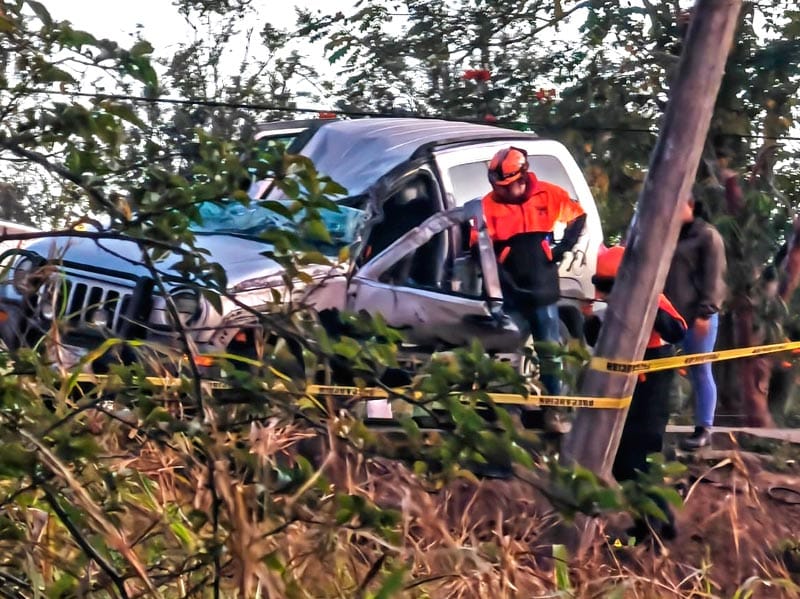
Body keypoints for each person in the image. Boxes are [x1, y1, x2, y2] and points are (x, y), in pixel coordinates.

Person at [479, 146, 586, 432]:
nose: (500, 191)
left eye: (505, 185)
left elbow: (578, 216)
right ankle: (508, 413)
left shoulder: (549, 195)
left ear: (522, 176)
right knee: (506, 351)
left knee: (549, 352)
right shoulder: (488, 205)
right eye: (496, 186)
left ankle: (557, 410)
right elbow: (478, 246)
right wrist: (497, 271)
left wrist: (561, 248)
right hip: (508, 290)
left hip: (543, 287)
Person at [585, 245, 687, 541]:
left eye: (608, 286)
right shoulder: (605, 304)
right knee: (620, 460)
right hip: (625, 379)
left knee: (636, 456)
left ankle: (656, 529)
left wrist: (648, 307)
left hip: (654, 377)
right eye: (600, 286)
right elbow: (591, 337)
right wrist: (593, 317)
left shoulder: (653, 296)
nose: (604, 292)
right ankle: (655, 523)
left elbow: (677, 330)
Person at [664, 194, 727, 450]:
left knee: (700, 371)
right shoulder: (668, 234)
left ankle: (704, 428)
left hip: (696, 316)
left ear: (690, 205)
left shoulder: (707, 236)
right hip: (667, 314)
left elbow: (715, 278)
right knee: (657, 371)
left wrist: (706, 313)